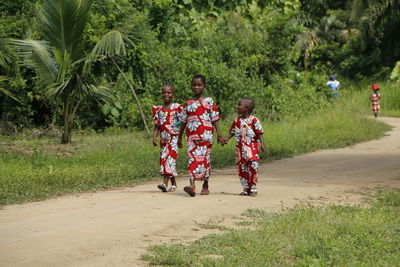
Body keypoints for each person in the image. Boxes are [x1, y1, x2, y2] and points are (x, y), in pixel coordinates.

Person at [178, 74, 224, 197]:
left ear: (204, 86)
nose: (196, 87)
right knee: (192, 160)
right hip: (192, 137)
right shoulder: (188, 103)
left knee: (205, 161)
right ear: (191, 86)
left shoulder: (209, 101)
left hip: (206, 136)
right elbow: (183, 122)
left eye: (199, 85)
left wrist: (219, 135)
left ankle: (205, 185)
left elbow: (215, 119)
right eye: (194, 85)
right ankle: (192, 186)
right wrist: (179, 137)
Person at [223, 98, 266, 196]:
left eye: (239, 105)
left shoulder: (254, 120)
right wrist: (227, 139)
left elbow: (259, 133)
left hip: (252, 150)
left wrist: (262, 144)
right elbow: (232, 132)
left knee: (253, 167)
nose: (237, 107)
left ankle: (253, 188)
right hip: (240, 151)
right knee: (242, 169)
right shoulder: (236, 120)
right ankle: (246, 188)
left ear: (247, 108)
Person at [152, 85, 183, 192]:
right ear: (161, 94)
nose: (166, 95)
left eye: (169, 93)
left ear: (173, 94)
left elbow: (183, 120)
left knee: (169, 159)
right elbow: (157, 125)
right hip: (163, 140)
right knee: (166, 160)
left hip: (174, 138)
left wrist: (177, 130)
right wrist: (154, 137)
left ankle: (164, 183)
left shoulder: (177, 107)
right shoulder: (159, 110)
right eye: (164, 92)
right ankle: (174, 183)